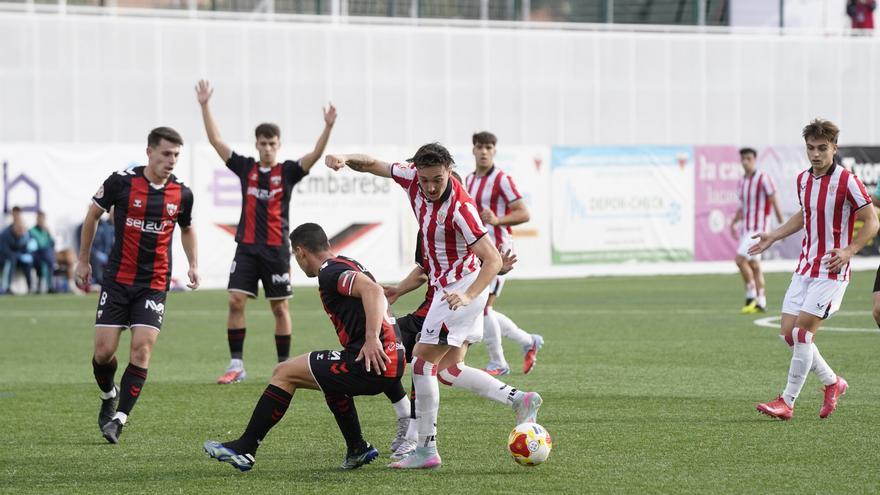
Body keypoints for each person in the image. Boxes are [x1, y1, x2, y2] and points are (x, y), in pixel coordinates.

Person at [325, 143, 542, 469]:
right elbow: (373, 164)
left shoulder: (461, 208)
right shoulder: (412, 177)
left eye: (437, 180)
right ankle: (520, 399)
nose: (429, 187)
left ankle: (426, 449)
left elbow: (493, 259)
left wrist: (468, 296)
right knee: (448, 370)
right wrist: (345, 158)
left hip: (459, 292)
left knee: (421, 364)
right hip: (448, 290)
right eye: (425, 179)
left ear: (449, 171)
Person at [203, 223, 406, 472]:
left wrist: (372, 338)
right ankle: (357, 448)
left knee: (284, 371)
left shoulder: (329, 272)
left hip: (372, 363)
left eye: (295, 256)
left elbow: (373, 290)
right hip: (391, 361)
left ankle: (245, 448)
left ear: (300, 252)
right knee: (327, 377)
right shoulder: (347, 262)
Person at [196, 80, 337, 384]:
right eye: (263, 143)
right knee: (235, 301)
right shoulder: (244, 167)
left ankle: (284, 365)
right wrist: (205, 105)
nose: (268, 148)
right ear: (257, 144)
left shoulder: (287, 171)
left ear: (279, 145)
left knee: (280, 307)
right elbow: (216, 141)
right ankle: (236, 365)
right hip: (246, 247)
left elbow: (313, 155)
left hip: (275, 250)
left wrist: (327, 127)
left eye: (273, 143)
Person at [76, 127, 199, 443]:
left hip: (154, 284)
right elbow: (92, 216)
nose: (171, 161)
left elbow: (187, 228)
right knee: (103, 354)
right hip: (117, 282)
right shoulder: (121, 182)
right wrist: (83, 260)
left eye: (175, 155)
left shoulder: (182, 194)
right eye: (166, 154)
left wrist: (193, 264)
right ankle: (108, 394)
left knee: (142, 348)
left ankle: (119, 419)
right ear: (149, 152)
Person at [750, 119, 878, 421]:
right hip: (805, 267)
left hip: (831, 272)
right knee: (788, 335)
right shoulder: (803, 180)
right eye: (811, 148)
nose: (816, 154)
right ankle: (833, 382)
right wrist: (774, 235)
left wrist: (849, 251)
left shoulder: (847, 180)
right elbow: (805, 215)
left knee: (803, 333)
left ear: (834, 148)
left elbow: (872, 221)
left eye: (822, 148)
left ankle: (787, 401)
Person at [465, 131, 543, 375]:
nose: (484, 151)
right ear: (473, 150)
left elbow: (524, 213)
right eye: (480, 147)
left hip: (499, 251)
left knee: (483, 307)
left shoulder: (502, 179)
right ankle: (527, 341)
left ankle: (498, 361)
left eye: (489, 147)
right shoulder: (468, 180)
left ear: (495, 150)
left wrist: (498, 220)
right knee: (482, 306)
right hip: (479, 250)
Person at [730, 148, 783, 314]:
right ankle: (761, 301)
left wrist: (781, 223)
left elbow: (773, 199)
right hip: (746, 229)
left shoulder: (763, 178)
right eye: (743, 159)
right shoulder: (742, 182)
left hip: (758, 229)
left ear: (754, 159)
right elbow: (743, 207)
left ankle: (751, 296)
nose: (745, 161)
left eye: (748, 158)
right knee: (754, 265)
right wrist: (733, 222)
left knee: (740, 260)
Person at [0, 206, 36, 294]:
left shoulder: (26, 234)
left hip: (19, 257)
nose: (21, 232)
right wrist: (18, 255)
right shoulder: (6, 234)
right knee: (10, 260)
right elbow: (4, 251)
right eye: (19, 229)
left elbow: (29, 246)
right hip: (7, 257)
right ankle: (6, 287)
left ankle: (30, 287)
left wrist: (28, 252)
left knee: (28, 262)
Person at [29, 211, 56, 294]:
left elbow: (52, 243)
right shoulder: (32, 231)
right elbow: (34, 245)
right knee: (46, 260)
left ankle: (50, 286)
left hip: (46, 255)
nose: (41, 221)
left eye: (43, 219)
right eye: (40, 218)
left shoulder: (47, 231)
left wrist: (49, 233)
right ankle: (42, 286)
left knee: (49, 261)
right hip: (36, 255)